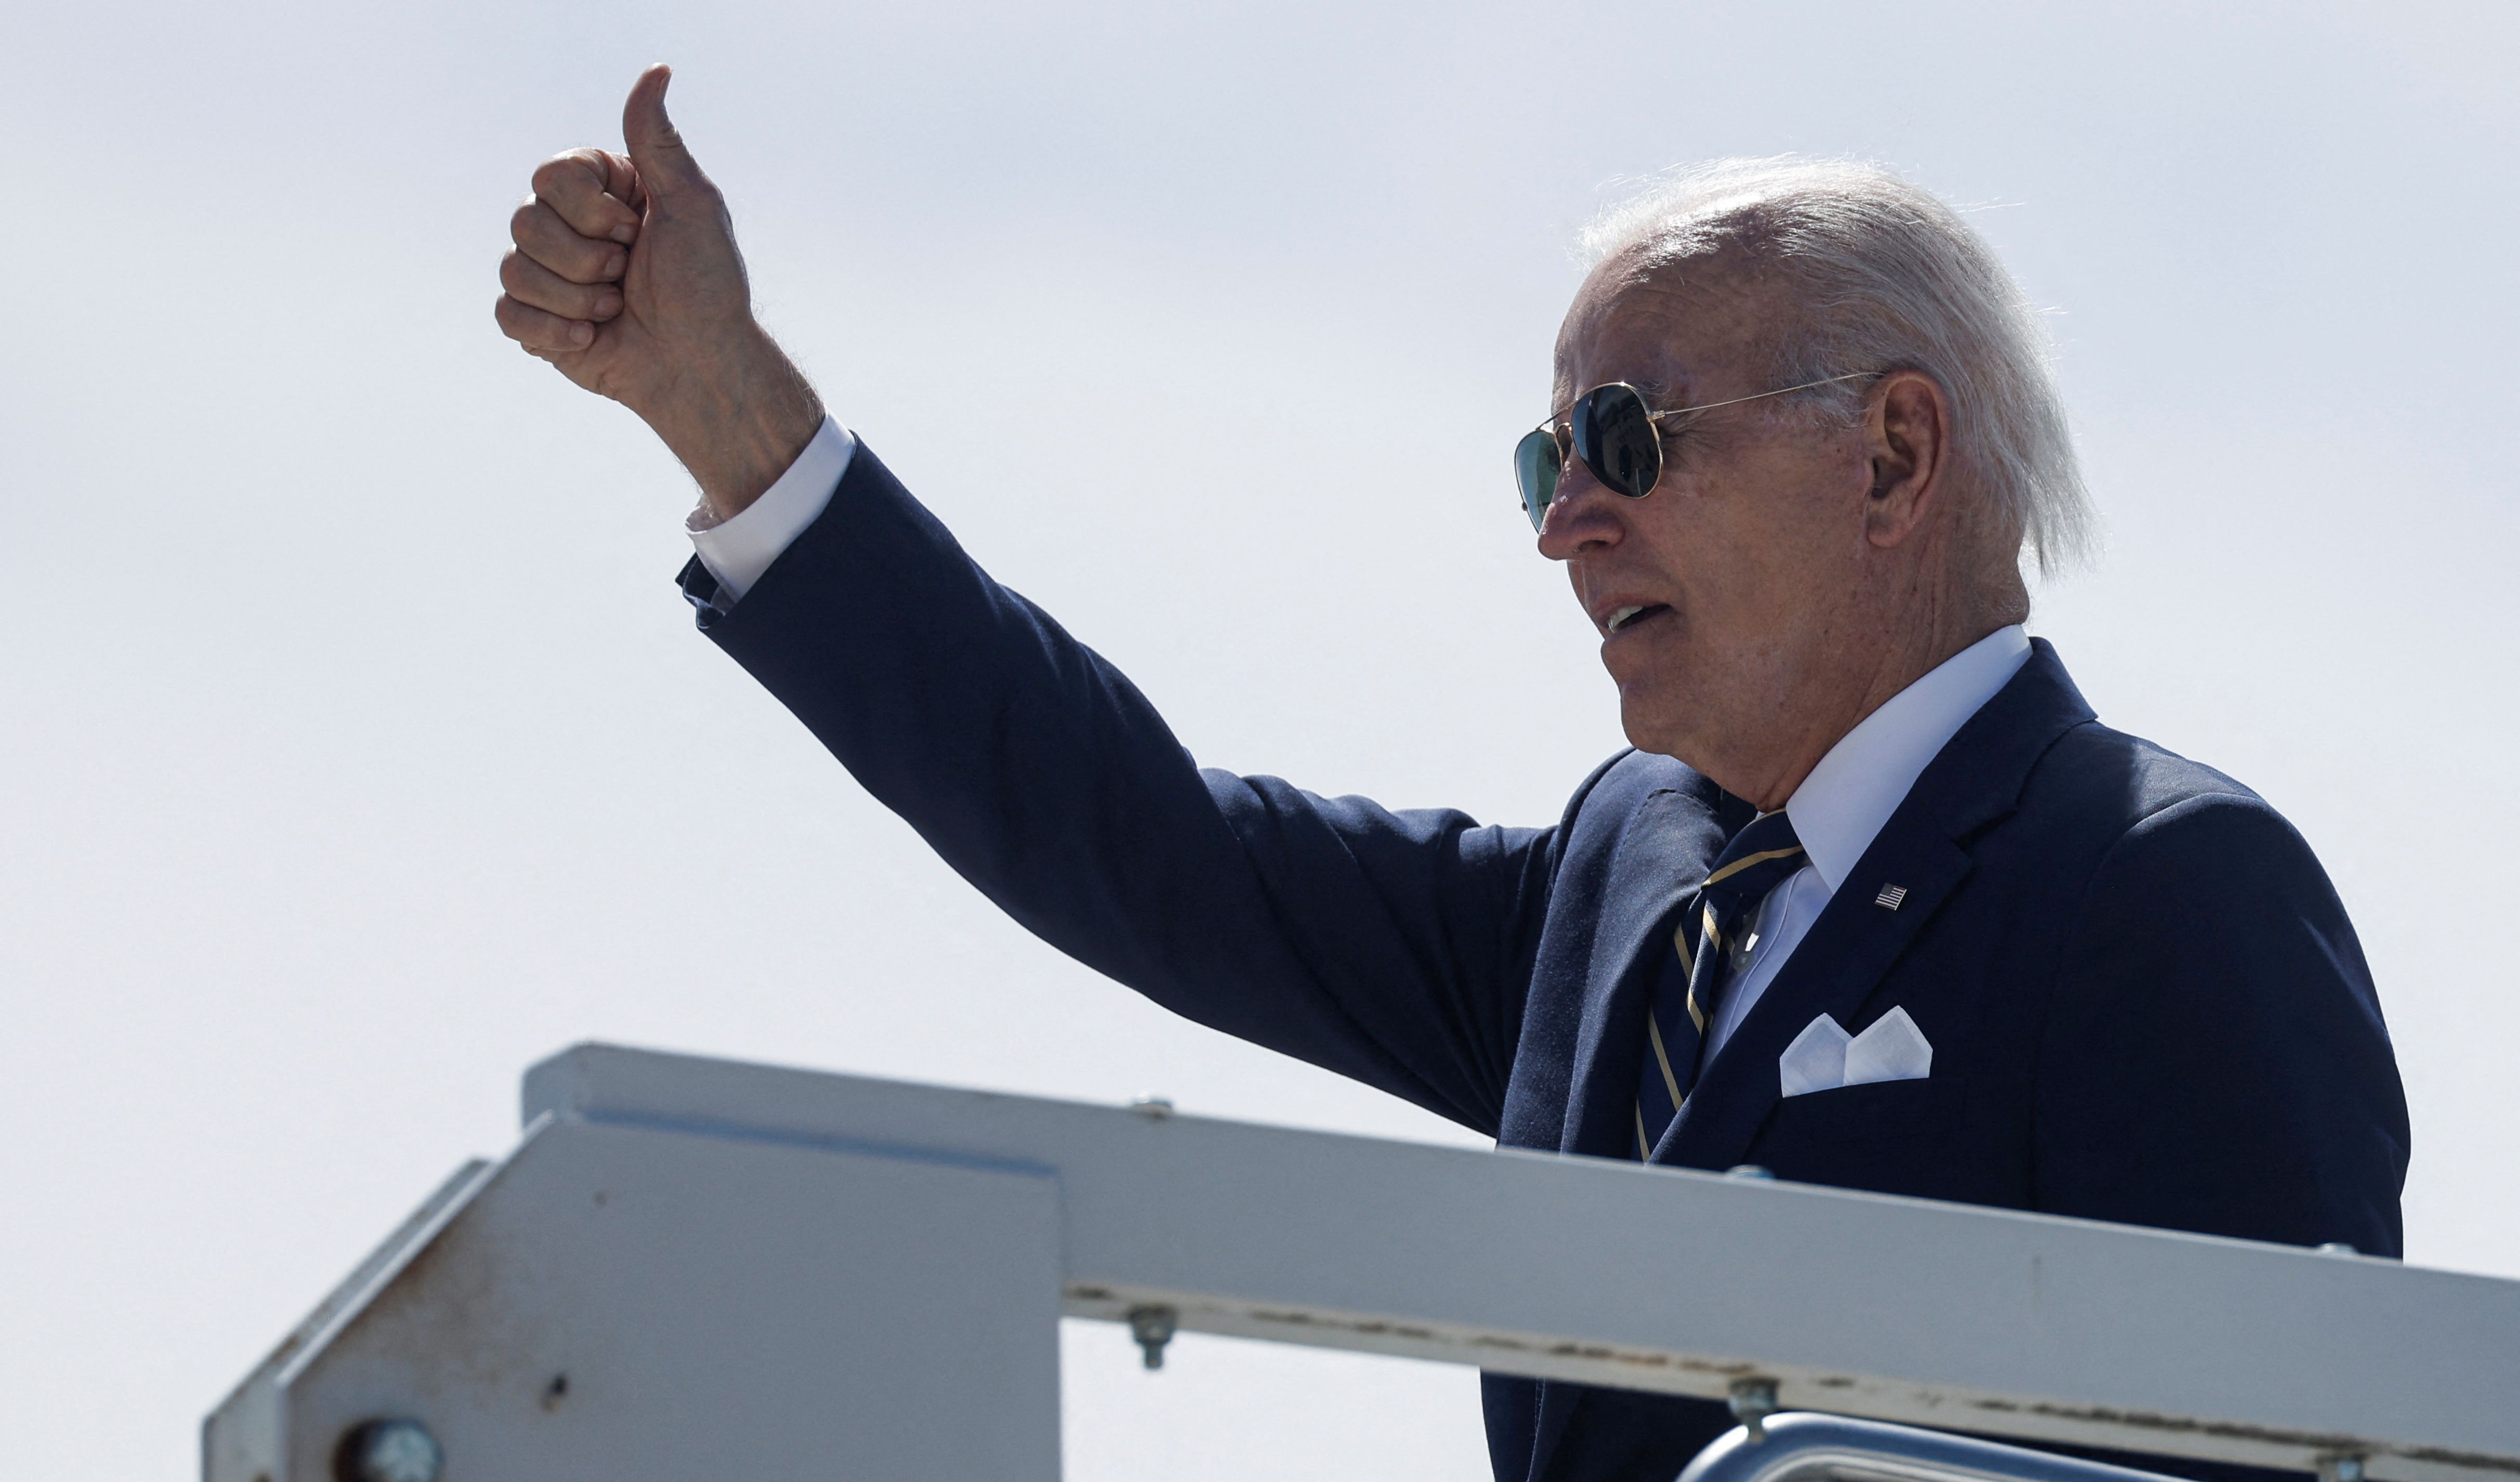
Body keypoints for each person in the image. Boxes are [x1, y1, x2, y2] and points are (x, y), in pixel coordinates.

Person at [494, 66, 2409, 1482]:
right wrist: (728, 413)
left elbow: (2279, 1462)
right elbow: (1148, 846)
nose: (1564, 521)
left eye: (1622, 435)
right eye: (1540, 461)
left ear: (1896, 460)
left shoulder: (2167, 887)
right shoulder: (1624, 874)